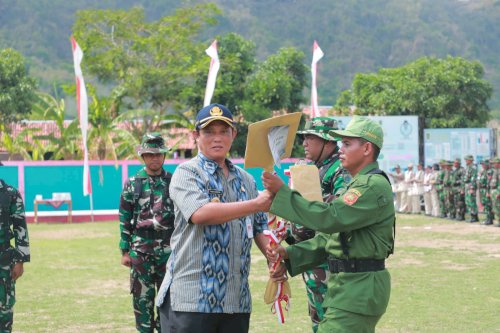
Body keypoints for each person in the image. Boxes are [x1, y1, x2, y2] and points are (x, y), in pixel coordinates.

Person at [262, 116, 395, 333]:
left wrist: (283, 193)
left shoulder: (371, 186)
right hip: (348, 286)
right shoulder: (358, 182)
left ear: (367, 148)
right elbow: (331, 239)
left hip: (359, 287)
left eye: (347, 143)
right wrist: (289, 253)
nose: (340, 149)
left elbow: (331, 218)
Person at [156, 103, 272, 333]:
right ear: (195, 136)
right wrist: (257, 203)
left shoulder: (246, 180)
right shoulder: (187, 173)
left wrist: (273, 256)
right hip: (192, 301)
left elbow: (259, 226)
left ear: (234, 135)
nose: (217, 138)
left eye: (223, 131)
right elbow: (200, 213)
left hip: (235, 301)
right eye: (209, 132)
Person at [290, 117, 348, 333]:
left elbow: (341, 211)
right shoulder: (316, 168)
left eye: (310, 138)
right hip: (313, 256)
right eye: (304, 138)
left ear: (328, 141)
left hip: (328, 259)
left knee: (330, 322)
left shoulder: (339, 170)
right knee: (318, 319)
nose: (304, 143)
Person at [119, 133, 175, 333]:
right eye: (150, 154)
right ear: (143, 156)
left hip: (169, 254)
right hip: (141, 253)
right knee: (142, 304)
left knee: (168, 305)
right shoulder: (133, 183)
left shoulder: (173, 181)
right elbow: (125, 217)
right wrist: (125, 251)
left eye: (159, 154)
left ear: (164, 156)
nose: (155, 158)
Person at [0, 179, 30, 333]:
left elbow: (20, 226)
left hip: (3, 261)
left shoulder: (10, 193)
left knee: (4, 308)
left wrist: (20, 260)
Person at [478, 159, 494, 225]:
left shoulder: (490, 171)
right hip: (482, 190)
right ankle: (488, 218)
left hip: (486, 190)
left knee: (488, 205)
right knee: (485, 204)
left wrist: (488, 192)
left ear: (487, 164)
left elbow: (489, 183)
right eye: (482, 164)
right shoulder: (483, 171)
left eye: (484, 164)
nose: (482, 165)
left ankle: (489, 219)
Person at [463, 155, 479, 223]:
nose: (466, 161)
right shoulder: (467, 167)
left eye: (467, 160)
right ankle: (472, 216)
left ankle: (474, 216)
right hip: (467, 186)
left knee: (472, 202)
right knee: (468, 202)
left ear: (470, 160)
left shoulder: (473, 167)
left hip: (470, 186)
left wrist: (472, 188)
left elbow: (473, 178)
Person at [491, 157, 500, 227]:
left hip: (498, 191)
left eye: (495, 163)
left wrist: (499, 192)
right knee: (495, 206)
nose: (494, 164)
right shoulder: (495, 171)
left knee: (498, 206)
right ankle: (498, 220)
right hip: (494, 191)